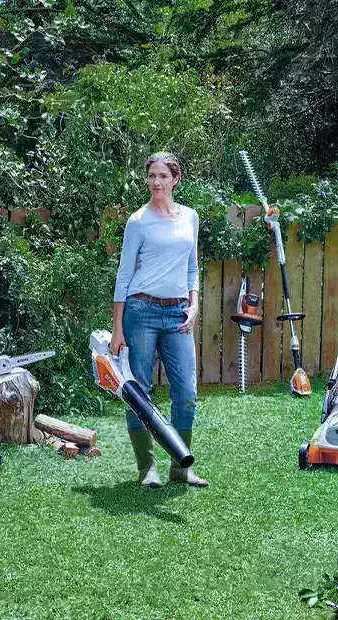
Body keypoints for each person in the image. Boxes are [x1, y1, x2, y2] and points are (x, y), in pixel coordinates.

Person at [110, 152, 208, 489]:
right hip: (142, 312)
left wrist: (194, 305)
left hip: (178, 312)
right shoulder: (138, 221)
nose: (156, 182)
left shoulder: (190, 217)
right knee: (139, 391)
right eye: (151, 176)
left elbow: (193, 268)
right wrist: (118, 328)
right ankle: (146, 468)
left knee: (187, 393)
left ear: (175, 179)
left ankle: (181, 468)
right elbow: (124, 277)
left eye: (163, 176)